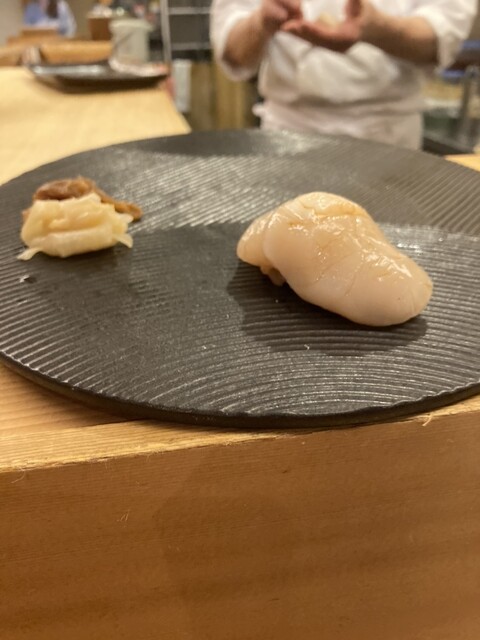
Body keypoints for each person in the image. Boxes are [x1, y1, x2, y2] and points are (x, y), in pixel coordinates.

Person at [210, 0, 477, 148]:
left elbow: (444, 32)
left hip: (387, 137)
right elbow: (232, 51)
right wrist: (262, 21)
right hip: (287, 133)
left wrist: (377, 27)